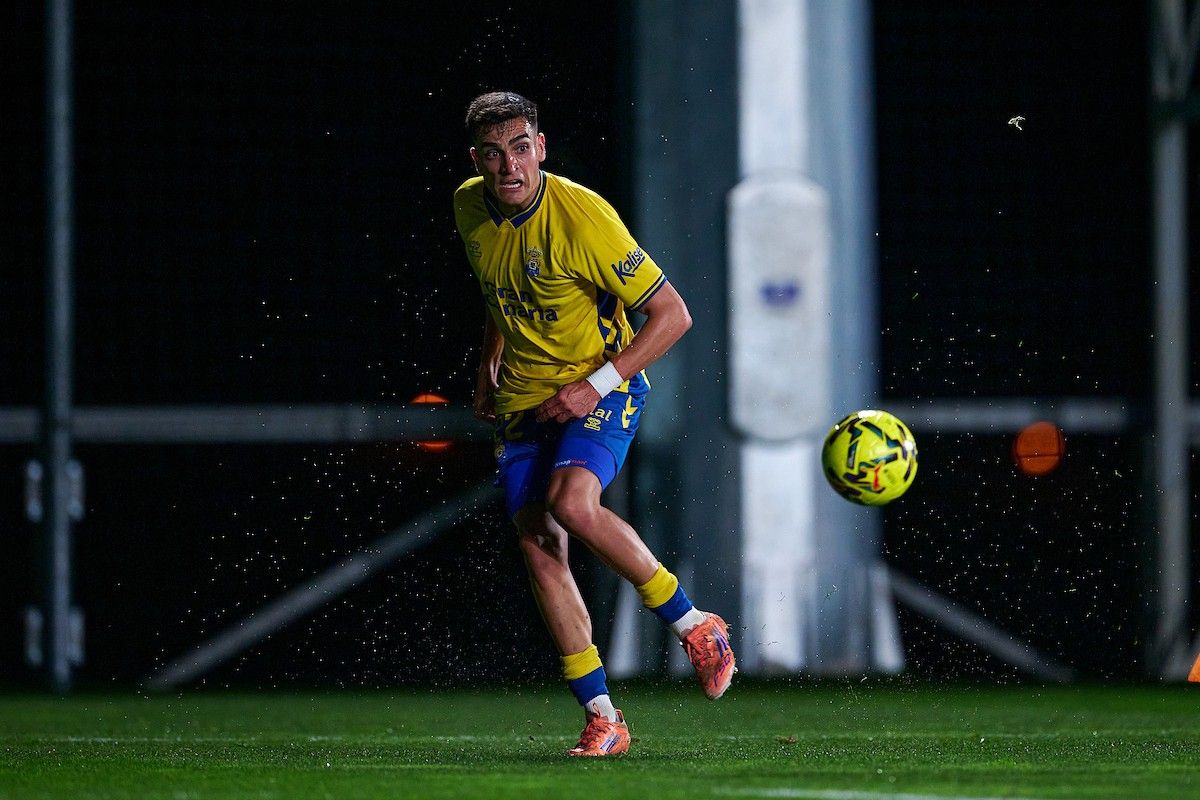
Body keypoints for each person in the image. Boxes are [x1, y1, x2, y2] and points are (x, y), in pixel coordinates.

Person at [453, 91, 735, 758]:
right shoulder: (468, 205)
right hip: (525, 400)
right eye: (493, 154)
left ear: (541, 148)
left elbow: (673, 315)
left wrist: (595, 385)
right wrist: (489, 362)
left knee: (573, 504)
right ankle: (604, 718)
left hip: (601, 385)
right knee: (539, 546)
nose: (509, 166)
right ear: (476, 160)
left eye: (520, 148)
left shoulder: (584, 218)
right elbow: (501, 290)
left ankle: (694, 624)